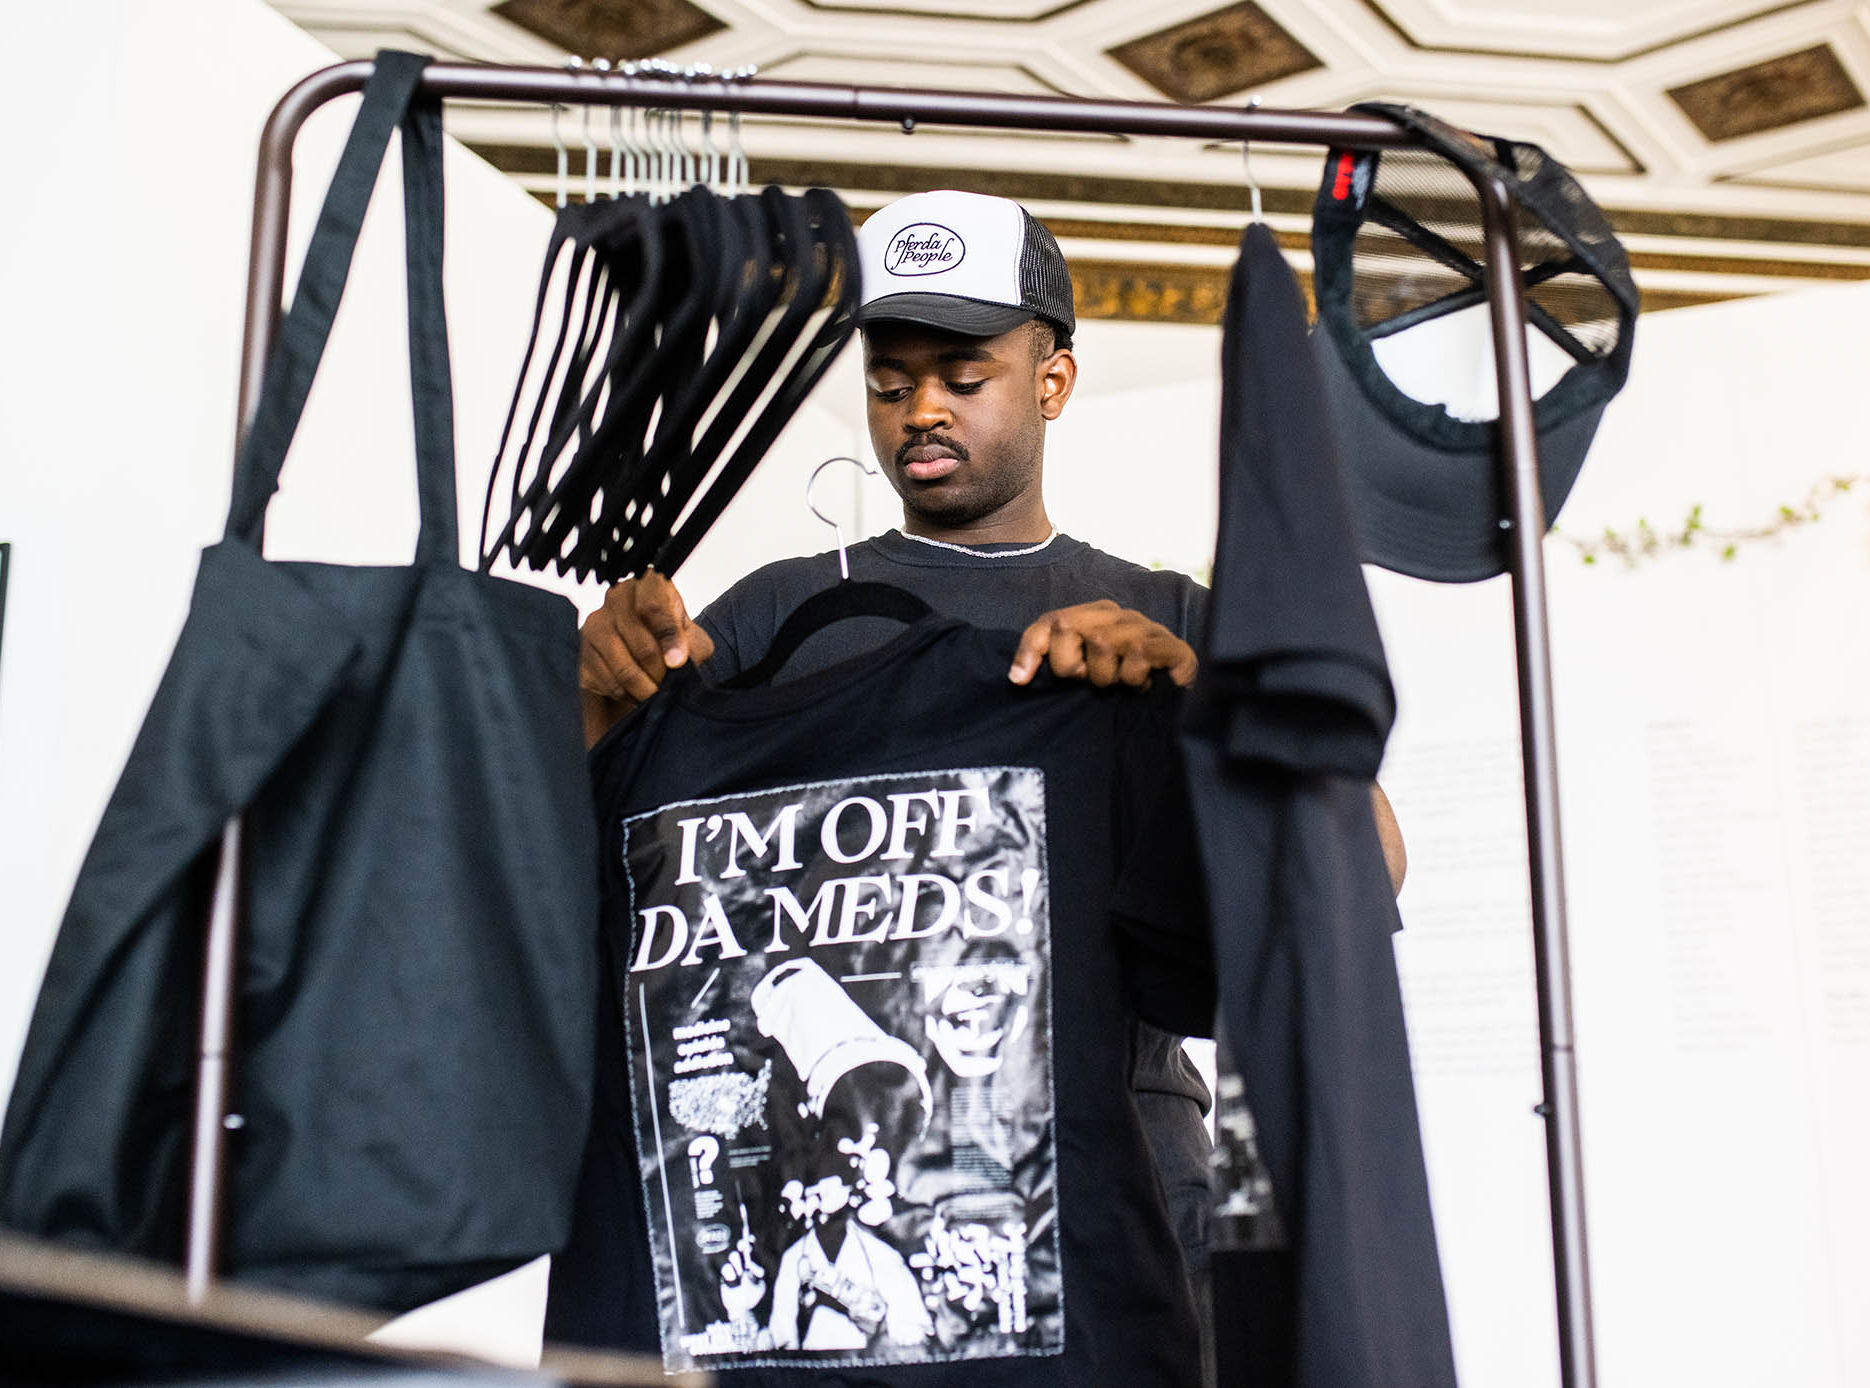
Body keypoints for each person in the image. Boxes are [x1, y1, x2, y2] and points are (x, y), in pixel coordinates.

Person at [577, 189, 1407, 1385]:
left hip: (1117, 1189)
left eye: (963, 374)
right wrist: (598, 689)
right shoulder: (776, 613)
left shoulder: (1164, 616)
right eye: (890, 376)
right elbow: (620, 852)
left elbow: (1362, 863)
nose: (920, 408)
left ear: (1052, 381)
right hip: (834, 1188)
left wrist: (1195, 693)